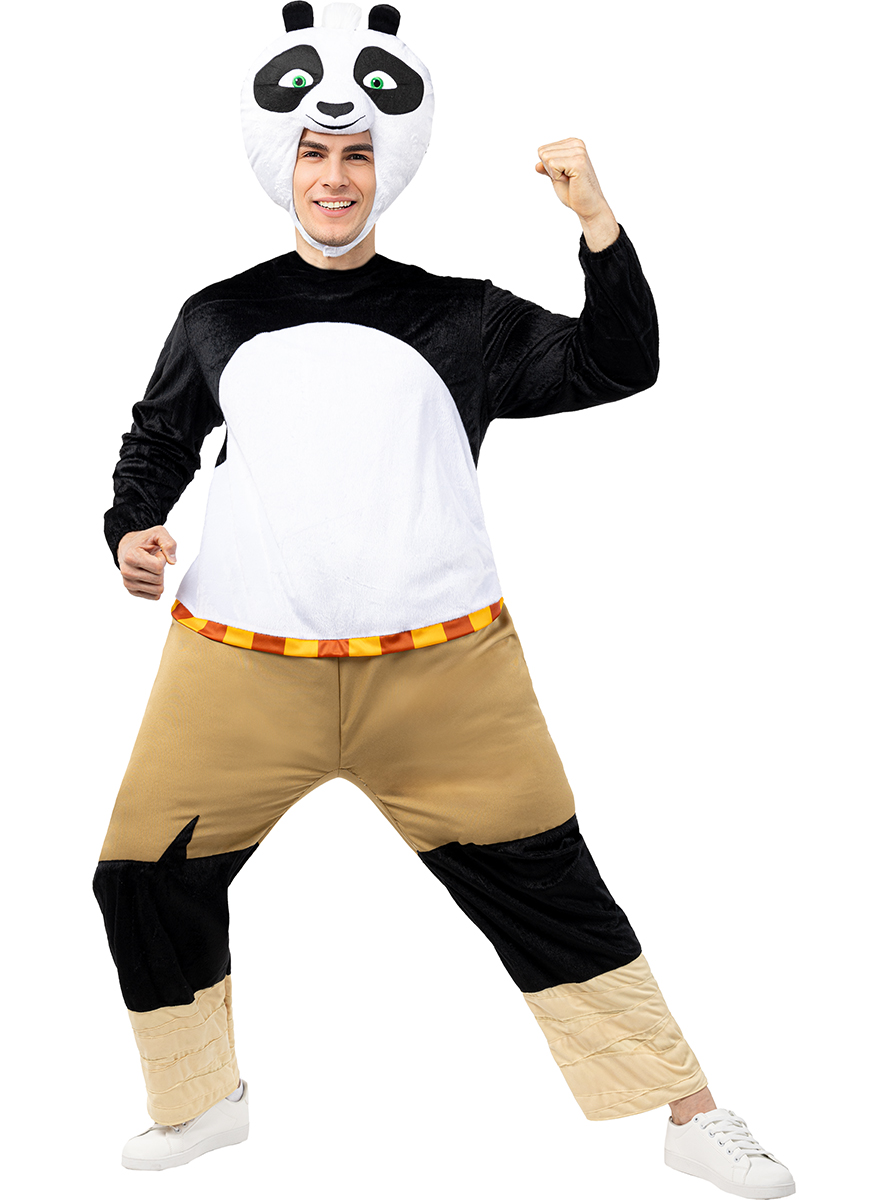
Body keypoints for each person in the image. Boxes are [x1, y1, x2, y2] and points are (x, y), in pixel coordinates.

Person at [94, 4, 795, 1195]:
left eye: (356, 155)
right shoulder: (217, 315)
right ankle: (199, 1100)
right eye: (314, 154)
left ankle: (687, 1113)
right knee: (143, 873)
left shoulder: (462, 317)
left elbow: (617, 363)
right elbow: (155, 444)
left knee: (548, 885)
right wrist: (131, 534)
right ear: (280, 164)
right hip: (235, 672)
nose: (333, 176)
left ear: (389, 167)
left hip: (444, 677)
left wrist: (597, 225)